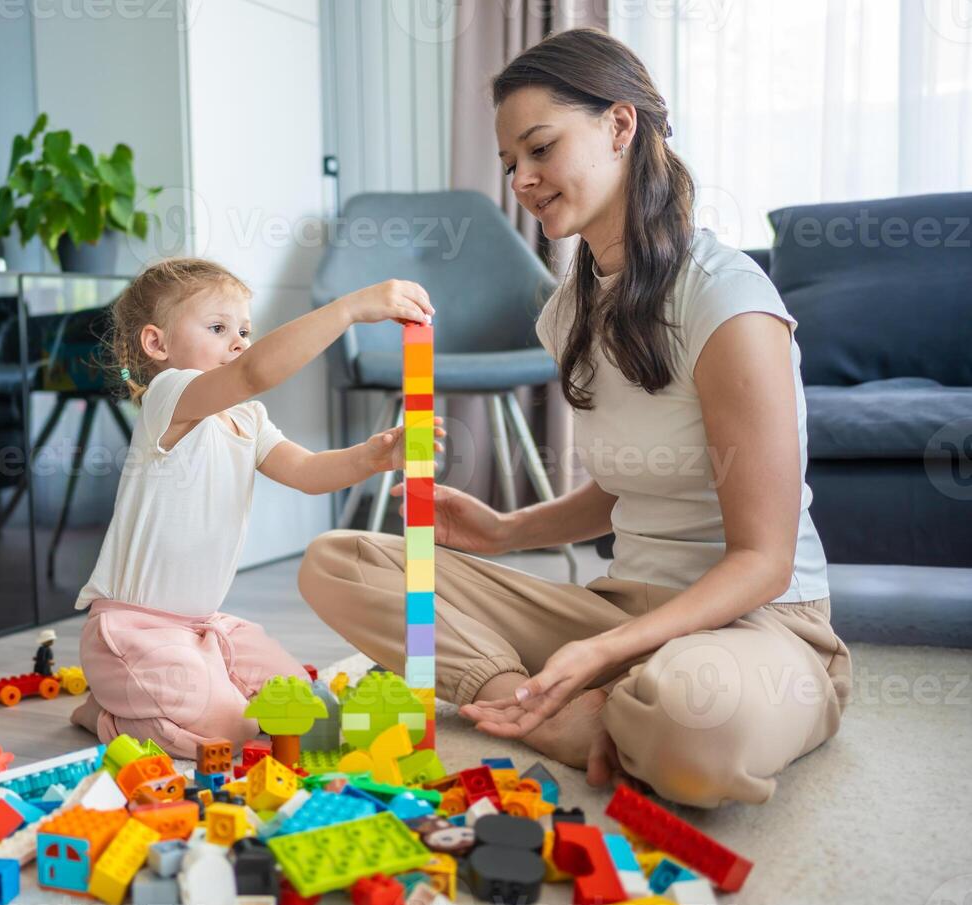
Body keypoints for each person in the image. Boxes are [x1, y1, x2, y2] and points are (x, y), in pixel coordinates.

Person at [299, 28, 851, 808]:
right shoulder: (569, 312)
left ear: (620, 127)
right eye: (510, 164)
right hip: (624, 607)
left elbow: (762, 558)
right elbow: (631, 482)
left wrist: (601, 652)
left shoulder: (728, 301)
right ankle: (538, 706)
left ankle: (613, 703)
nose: (522, 180)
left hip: (758, 624)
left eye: (540, 148)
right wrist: (502, 531)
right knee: (338, 560)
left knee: (699, 733)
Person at [70, 257, 436, 758]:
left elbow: (307, 473)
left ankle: (166, 689)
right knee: (230, 731)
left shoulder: (247, 418)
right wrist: (351, 308)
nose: (239, 342)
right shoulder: (168, 396)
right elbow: (254, 371)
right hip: (134, 631)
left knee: (303, 705)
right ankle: (105, 715)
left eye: (244, 329)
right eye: (219, 328)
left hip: (205, 626)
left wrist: (372, 457)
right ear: (157, 345)